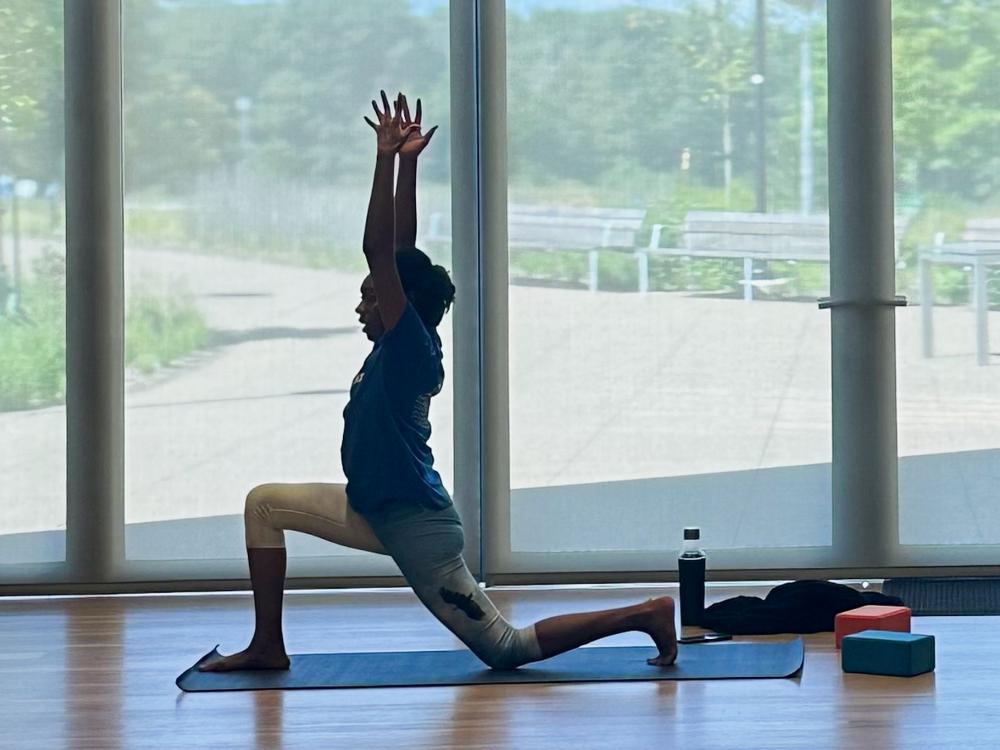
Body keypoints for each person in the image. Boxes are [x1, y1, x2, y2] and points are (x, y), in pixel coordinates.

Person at [200, 91, 677, 673]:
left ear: (399, 306)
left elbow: (380, 251)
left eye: (369, 297)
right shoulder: (401, 338)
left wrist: (381, 158)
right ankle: (268, 647)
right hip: (370, 506)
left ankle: (647, 614)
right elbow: (399, 250)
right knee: (264, 505)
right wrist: (409, 162)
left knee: (506, 648)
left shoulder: (408, 350)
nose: (359, 307)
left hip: (417, 527)